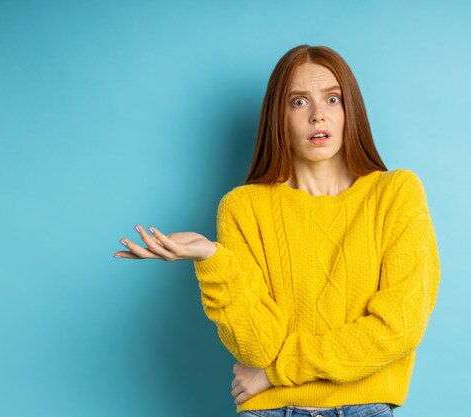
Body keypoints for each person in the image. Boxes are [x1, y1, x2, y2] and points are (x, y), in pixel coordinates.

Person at [114, 44, 441, 417]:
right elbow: (256, 347)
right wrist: (213, 258)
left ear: (351, 109)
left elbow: (398, 329)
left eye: (332, 99)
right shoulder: (244, 207)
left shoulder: (396, 193)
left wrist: (275, 372)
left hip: (362, 409)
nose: (318, 115)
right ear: (278, 116)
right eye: (299, 102)